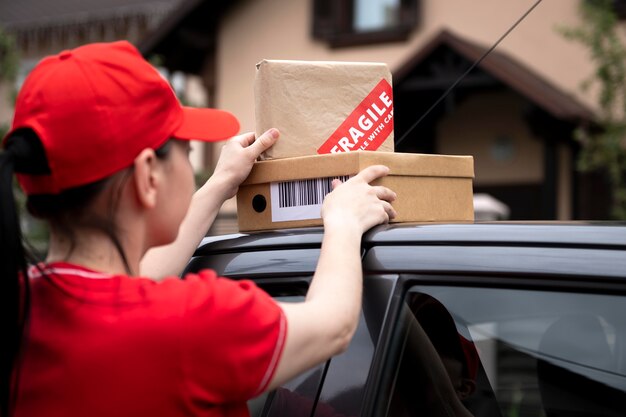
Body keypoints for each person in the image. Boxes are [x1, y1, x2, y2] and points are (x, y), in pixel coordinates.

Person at [0, 40, 397, 417]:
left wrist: (221, 184)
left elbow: (132, 282)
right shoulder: (191, 322)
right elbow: (332, 327)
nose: (192, 166)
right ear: (148, 177)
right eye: (186, 150)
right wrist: (343, 222)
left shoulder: (24, 306)